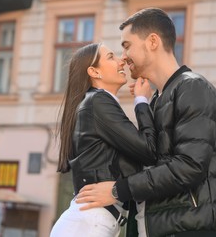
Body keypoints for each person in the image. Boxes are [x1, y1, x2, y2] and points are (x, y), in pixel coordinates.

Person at [76, 8, 216, 237]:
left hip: (188, 228)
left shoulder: (193, 87)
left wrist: (118, 190)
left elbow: (190, 166)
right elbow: (151, 159)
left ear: (153, 42)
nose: (124, 57)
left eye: (127, 45)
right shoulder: (157, 100)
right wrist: (142, 103)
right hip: (155, 228)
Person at [50, 42, 158, 237]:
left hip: (91, 221)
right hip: (90, 223)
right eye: (111, 57)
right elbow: (149, 150)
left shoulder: (94, 103)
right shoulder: (98, 102)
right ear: (94, 71)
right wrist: (142, 102)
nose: (122, 60)